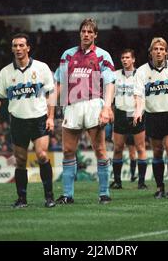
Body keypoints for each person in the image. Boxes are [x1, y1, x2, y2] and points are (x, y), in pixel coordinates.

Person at [0, 33, 56, 208]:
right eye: (15, 46)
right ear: (12, 48)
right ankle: (22, 199)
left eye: (21, 45)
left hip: (39, 119)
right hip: (18, 121)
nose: (18, 49)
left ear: (28, 48)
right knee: (21, 160)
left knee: (41, 155)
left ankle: (49, 197)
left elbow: (52, 92)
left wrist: (52, 116)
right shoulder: (5, 72)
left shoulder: (41, 68)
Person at [54, 18, 115, 204]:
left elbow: (110, 82)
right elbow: (59, 82)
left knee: (100, 150)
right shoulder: (68, 55)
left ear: (95, 34)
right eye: (83, 31)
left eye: (90, 32)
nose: (86, 34)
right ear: (80, 33)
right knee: (68, 150)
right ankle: (67, 195)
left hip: (93, 104)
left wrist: (106, 107)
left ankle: (104, 193)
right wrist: (49, 107)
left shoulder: (103, 55)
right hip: (72, 104)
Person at [133, 37, 168, 199]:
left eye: (161, 49)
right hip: (153, 115)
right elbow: (138, 95)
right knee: (157, 152)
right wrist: (138, 111)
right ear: (150, 52)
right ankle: (160, 187)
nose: (158, 52)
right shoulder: (142, 72)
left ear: (166, 52)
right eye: (155, 49)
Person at [111, 49, 148, 190]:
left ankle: (142, 182)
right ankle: (117, 181)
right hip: (120, 114)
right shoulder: (115, 75)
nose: (124, 60)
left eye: (127, 57)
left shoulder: (140, 75)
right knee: (118, 147)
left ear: (133, 60)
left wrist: (140, 110)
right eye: (122, 57)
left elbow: (144, 96)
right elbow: (110, 94)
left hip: (136, 114)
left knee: (140, 147)